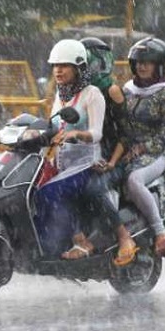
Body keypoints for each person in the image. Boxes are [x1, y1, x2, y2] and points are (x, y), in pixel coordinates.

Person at [33, 39, 105, 260]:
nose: (58, 70)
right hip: (61, 162)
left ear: (78, 68)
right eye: (55, 65)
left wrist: (77, 134)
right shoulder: (61, 94)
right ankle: (48, 243)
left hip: (85, 165)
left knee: (50, 192)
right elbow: (55, 125)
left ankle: (82, 242)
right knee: (30, 190)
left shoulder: (92, 94)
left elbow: (97, 133)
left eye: (64, 65)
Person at [120, 37, 165, 256]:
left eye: (148, 62)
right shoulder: (127, 90)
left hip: (156, 153)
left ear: (160, 66)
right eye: (138, 61)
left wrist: (139, 149)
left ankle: (160, 233)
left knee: (133, 181)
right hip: (123, 150)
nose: (142, 66)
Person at [78, 37, 139, 265]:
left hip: (113, 158)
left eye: (94, 62)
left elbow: (126, 134)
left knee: (92, 189)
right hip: (82, 158)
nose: (91, 67)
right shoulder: (74, 90)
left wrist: (112, 162)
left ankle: (124, 236)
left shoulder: (111, 90)